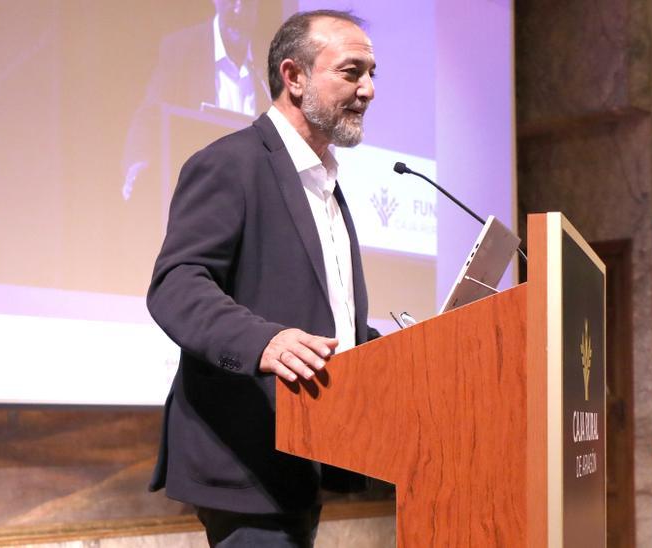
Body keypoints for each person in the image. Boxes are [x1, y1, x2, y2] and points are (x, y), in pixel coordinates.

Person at [146, 10, 378, 547]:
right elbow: (176, 284)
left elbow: (335, 316)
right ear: (293, 77)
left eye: (372, 73)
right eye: (351, 71)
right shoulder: (232, 164)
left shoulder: (324, 184)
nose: (367, 89)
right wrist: (262, 341)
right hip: (247, 460)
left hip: (308, 457)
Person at [122, 0, 279, 201]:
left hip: (255, 197)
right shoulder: (183, 49)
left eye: (247, 2)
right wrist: (137, 162)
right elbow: (151, 114)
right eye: (232, 0)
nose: (238, 9)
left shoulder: (269, 60)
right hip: (198, 195)